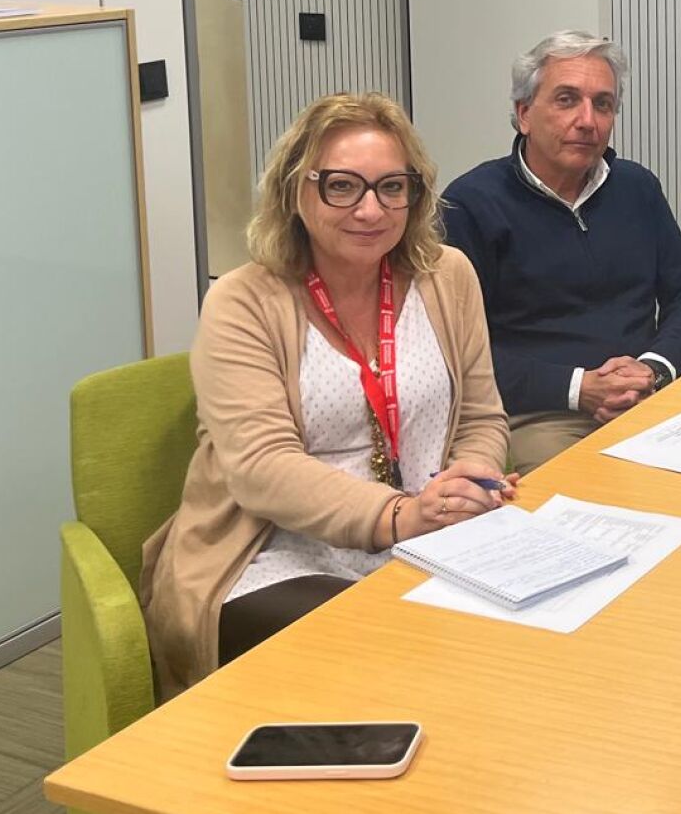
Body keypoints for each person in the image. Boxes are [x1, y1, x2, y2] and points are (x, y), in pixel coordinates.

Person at [140, 93, 512, 697]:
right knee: (391, 648)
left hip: (427, 536)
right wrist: (400, 515)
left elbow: (480, 416)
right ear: (296, 190)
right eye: (342, 186)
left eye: (392, 188)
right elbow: (263, 470)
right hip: (270, 555)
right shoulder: (243, 302)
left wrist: (473, 478)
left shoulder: (448, 276)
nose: (370, 210)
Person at [443, 31, 681, 475]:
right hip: (545, 411)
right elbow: (456, 350)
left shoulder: (637, 188)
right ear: (524, 114)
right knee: (594, 495)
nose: (587, 120)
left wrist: (653, 369)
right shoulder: (472, 204)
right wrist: (578, 387)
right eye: (567, 100)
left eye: (602, 104)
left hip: (647, 395)